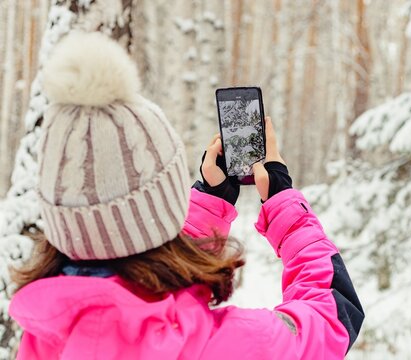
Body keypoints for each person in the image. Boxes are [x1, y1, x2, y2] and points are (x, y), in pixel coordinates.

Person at [8, 32, 364, 360]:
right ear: (162, 211)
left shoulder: (42, 339)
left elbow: (127, 271)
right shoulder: (234, 346)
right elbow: (332, 316)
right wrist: (284, 202)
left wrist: (211, 200)